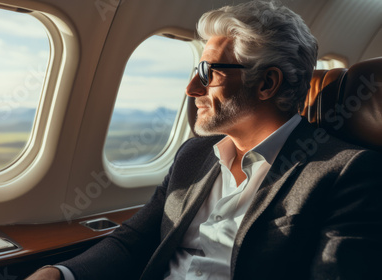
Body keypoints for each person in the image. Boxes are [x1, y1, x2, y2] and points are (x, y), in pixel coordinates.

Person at [27, 1, 382, 279]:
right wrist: (57, 273)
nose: (191, 89)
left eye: (207, 73)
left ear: (266, 84)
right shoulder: (194, 154)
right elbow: (134, 241)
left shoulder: (346, 173)